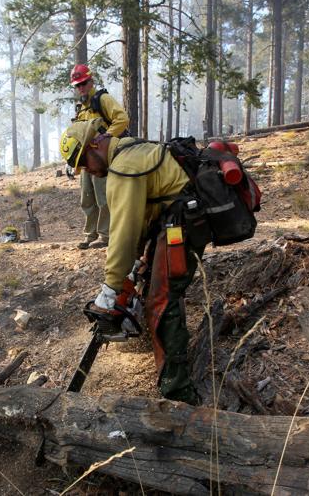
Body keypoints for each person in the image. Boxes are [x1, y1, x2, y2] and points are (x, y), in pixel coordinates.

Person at [59, 118, 204, 404]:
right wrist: (138, 263)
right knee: (154, 287)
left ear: (95, 143)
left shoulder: (124, 167)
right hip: (176, 218)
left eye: (85, 161)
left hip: (182, 222)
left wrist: (110, 289)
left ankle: (178, 395)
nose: (87, 170)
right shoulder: (129, 149)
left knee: (162, 301)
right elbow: (142, 218)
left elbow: (122, 232)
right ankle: (166, 366)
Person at [70, 64, 130, 250]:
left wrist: (107, 136)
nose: (81, 87)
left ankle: (105, 235)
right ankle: (90, 234)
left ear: (91, 81)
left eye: (84, 83)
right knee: (86, 197)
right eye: (77, 85)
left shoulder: (102, 99)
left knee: (102, 196)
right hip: (87, 159)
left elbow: (122, 119)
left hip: (102, 158)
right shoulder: (81, 107)